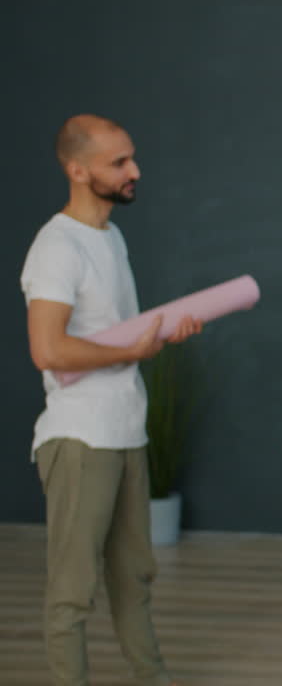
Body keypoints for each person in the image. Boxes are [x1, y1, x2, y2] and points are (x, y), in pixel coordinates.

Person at [22, 114, 201, 686]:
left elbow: (114, 337)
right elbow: (47, 349)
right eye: (118, 162)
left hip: (126, 432)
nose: (134, 171)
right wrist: (138, 351)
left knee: (134, 580)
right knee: (73, 593)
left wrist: (156, 337)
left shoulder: (110, 236)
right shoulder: (56, 246)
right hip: (79, 439)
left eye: (132, 157)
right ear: (77, 170)